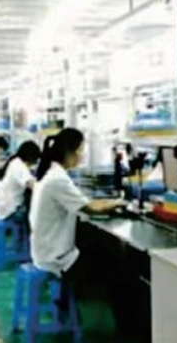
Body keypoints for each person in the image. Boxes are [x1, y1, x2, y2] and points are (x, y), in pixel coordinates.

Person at [29, 128, 125, 317]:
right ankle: (126, 324)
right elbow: (90, 208)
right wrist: (118, 203)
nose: (82, 155)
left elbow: (86, 204)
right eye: (81, 150)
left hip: (45, 248)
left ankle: (67, 300)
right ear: (69, 152)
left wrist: (109, 202)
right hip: (55, 257)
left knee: (97, 248)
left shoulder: (52, 174)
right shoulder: (57, 179)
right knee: (118, 268)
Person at [0, 140, 41, 223]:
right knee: (36, 211)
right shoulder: (19, 166)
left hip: (3, 206)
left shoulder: (15, 161)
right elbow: (32, 185)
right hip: (10, 211)